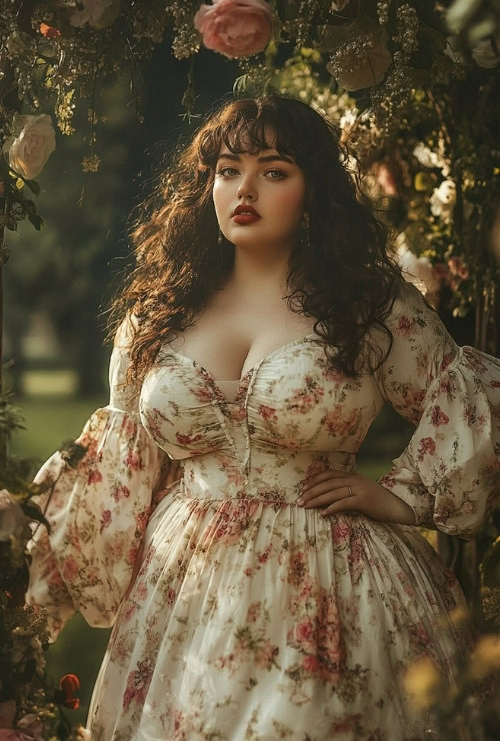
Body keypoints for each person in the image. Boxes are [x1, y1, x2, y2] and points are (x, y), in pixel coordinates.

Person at [26, 93, 499, 740]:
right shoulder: (160, 312)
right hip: (183, 598)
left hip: (333, 583)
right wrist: (30, 568)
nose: (244, 188)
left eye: (274, 170)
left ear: (314, 189)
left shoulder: (368, 304)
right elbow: (118, 469)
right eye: (227, 170)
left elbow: (464, 398)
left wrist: (405, 496)